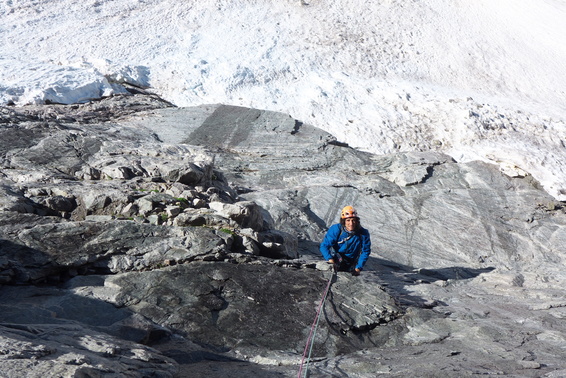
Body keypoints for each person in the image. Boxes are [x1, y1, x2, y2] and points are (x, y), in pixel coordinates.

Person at [319, 206, 371, 276]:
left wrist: (358, 267)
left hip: (351, 262)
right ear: (344, 221)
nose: (351, 223)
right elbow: (324, 246)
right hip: (336, 259)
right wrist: (330, 259)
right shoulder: (336, 229)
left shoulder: (363, 233)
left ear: (357, 221)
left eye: (353, 220)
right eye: (348, 220)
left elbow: (366, 251)